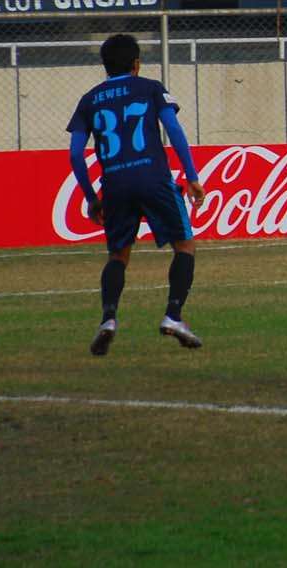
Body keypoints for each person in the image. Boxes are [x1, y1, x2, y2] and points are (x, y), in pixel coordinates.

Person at [67, 33, 208, 355]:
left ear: (105, 66)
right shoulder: (150, 88)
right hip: (153, 177)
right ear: (136, 63)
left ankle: (108, 319)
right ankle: (173, 315)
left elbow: (76, 154)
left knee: (119, 255)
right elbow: (173, 129)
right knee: (184, 244)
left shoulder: (89, 100)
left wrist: (91, 196)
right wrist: (192, 176)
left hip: (114, 184)